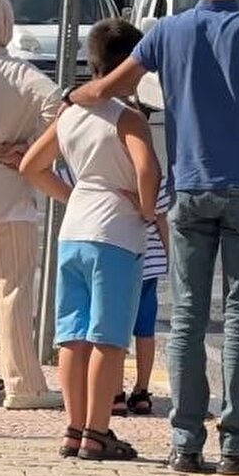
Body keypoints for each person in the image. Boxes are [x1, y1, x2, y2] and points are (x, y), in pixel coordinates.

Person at [68, 0, 239, 475]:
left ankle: (184, 442)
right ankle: (237, 441)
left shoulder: (167, 33)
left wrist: (76, 95)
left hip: (190, 187)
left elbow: (110, 88)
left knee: (189, 315)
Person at [20, 18, 159, 460]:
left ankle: (73, 428)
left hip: (73, 231)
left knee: (73, 336)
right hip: (115, 236)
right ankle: (99, 432)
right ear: (128, 69)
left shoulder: (71, 114)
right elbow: (148, 170)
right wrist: (146, 207)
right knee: (108, 338)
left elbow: (31, 166)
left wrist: (74, 193)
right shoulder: (128, 118)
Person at [0, 0, 63, 411]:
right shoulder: (20, 74)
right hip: (8, 199)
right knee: (13, 295)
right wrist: (30, 151)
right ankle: (23, 385)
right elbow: (62, 109)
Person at [54, 160, 170, 418]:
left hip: (82, 240)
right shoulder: (146, 164)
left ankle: (109, 398)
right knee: (138, 329)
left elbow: (40, 170)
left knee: (94, 330)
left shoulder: (81, 160)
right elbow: (158, 216)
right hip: (142, 256)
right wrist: (168, 255)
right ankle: (141, 390)